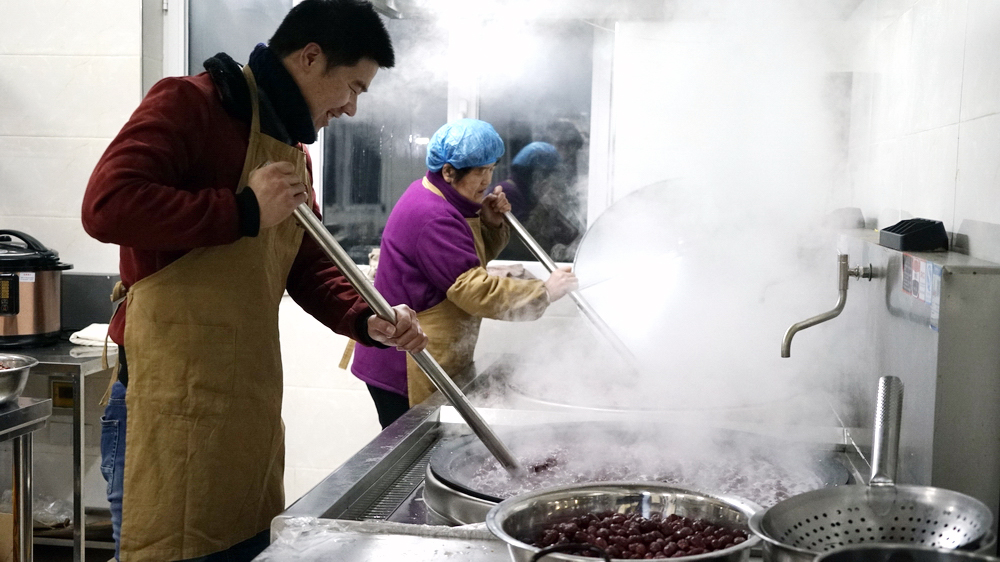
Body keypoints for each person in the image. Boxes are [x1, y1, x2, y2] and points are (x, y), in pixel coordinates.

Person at [81, 1, 428, 560]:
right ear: (311, 57)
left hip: (246, 412)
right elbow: (106, 206)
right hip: (164, 407)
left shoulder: (292, 152)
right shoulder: (189, 104)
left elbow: (308, 265)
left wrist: (366, 319)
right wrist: (241, 210)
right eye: (353, 87)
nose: (352, 108)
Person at [350, 119, 578, 428]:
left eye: (492, 168)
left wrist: (490, 223)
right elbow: (472, 289)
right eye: (479, 172)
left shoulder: (439, 197)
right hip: (404, 363)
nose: (488, 179)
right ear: (448, 171)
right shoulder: (432, 215)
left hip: (418, 350)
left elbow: (461, 261)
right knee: (413, 454)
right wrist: (544, 291)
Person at [496, 141, 561, 261]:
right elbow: (522, 243)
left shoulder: (528, 193)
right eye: (548, 174)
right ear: (536, 173)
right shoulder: (507, 192)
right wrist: (545, 205)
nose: (551, 179)